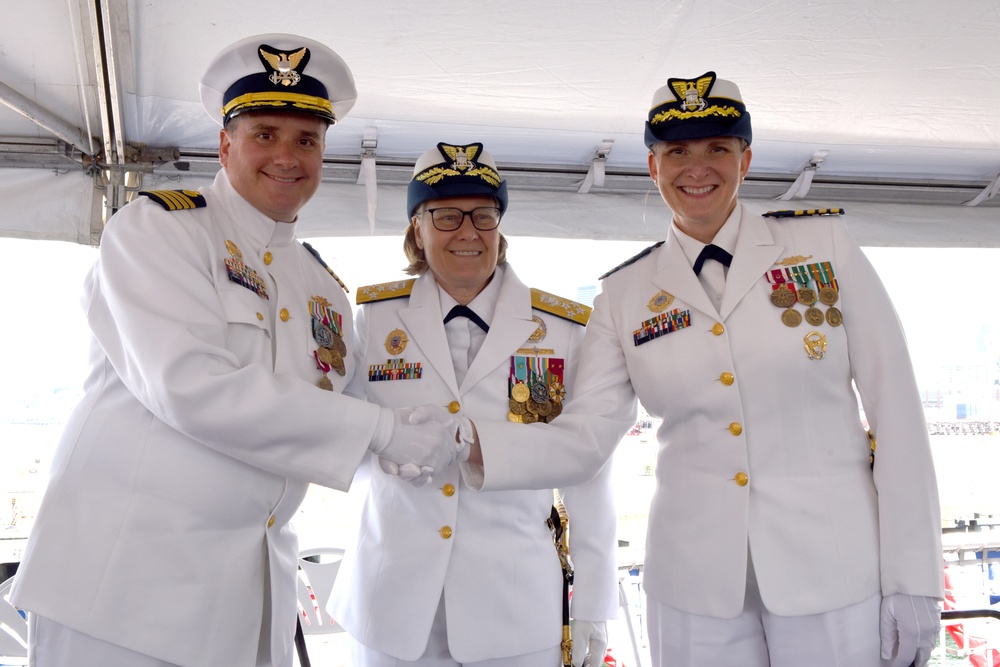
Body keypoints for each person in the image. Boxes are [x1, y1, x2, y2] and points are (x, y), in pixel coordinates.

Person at [10, 34, 460, 667]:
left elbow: (357, 407)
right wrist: (385, 431)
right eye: (265, 134)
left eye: (306, 140)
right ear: (225, 145)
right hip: (125, 600)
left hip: (250, 608)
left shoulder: (322, 288)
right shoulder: (157, 229)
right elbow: (192, 387)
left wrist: (420, 437)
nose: (287, 155)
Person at [466, 72, 944, 666]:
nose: (697, 168)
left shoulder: (823, 247)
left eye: (717, 147)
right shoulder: (624, 293)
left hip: (833, 570)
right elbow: (588, 432)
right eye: (677, 152)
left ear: (745, 159)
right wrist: (480, 446)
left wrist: (914, 575)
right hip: (693, 582)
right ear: (652, 167)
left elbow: (897, 414)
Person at [328, 141, 620, 667]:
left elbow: (590, 470)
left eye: (484, 216)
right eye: (445, 216)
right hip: (390, 607)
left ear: (500, 228)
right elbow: (340, 431)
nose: (468, 232)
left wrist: (595, 602)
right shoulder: (373, 321)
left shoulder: (564, 330)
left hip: (515, 613)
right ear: (416, 227)